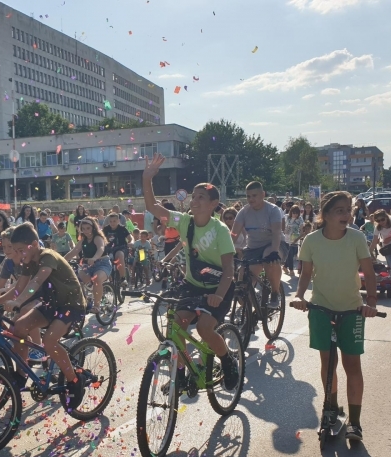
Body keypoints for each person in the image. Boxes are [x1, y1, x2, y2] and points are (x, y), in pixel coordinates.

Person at [143, 153, 240, 390]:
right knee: (176, 327)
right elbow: (151, 206)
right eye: (193, 196)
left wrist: (218, 295)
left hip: (219, 288)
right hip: (193, 284)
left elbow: (229, 270)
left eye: (201, 197)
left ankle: (227, 361)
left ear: (214, 204)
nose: (194, 200)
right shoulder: (183, 221)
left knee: (206, 328)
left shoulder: (220, 230)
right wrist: (147, 179)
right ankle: (183, 373)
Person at [291, 191, 379, 442]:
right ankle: (331, 408)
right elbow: (306, 274)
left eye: (348, 210)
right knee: (327, 363)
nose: (346, 215)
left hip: (352, 309)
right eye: (340, 210)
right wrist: (300, 296)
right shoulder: (311, 240)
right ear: (326, 215)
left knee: (352, 365)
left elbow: (369, 273)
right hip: (320, 308)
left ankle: (354, 422)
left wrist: (371, 302)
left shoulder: (357, 237)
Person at [6, 223, 87, 408]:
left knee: (49, 341)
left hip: (71, 306)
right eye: (16, 251)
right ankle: (21, 374)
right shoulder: (29, 262)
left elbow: (38, 280)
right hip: (51, 305)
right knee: (18, 328)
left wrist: (19, 302)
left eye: (20, 250)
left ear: (34, 244)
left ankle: (75, 381)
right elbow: (18, 288)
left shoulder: (47, 256)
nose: (19, 255)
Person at [231, 181, 287, 309]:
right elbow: (233, 234)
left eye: (254, 195)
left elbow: (277, 233)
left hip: (274, 243)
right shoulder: (244, 212)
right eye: (248, 196)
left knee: (269, 258)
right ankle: (250, 313)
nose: (251, 199)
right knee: (242, 278)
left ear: (263, 194)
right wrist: (226, 250)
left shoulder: (273, 210)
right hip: (253, 247)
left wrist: (274, 251)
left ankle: (275, 292)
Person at [64, 218, 111, 313]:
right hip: (88, 265)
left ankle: (96, 306)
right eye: (83, 228)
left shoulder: (98, 238)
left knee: (97, 279)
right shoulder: (83, 240)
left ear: (93, 228)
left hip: (102, 264)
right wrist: (61, 260)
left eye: (88, 228)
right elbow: (74, 251)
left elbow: (100, 249)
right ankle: (93, 293)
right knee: (79, 274)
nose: (85, 231)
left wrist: (94, 258)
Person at [102, 212, 133, 285]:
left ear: (118, 221)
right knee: (104, 258)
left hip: (121, 248)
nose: (112, 223)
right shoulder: (106, 229)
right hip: (109, 249)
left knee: (119, 255)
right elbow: (100, 239)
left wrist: (130, 243)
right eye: (110, 221)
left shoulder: (122, 229)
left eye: (114, 221)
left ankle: (123, 278)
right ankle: (109, 280)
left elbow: (130, 238)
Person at [283, 205, 304, 276]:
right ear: (291, 212)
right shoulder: (287, 217)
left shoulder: (300, 218)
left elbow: (301, 228)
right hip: (288, 238)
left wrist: (301, 236)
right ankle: (291, 269)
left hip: (296, 238)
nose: (295, 214)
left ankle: (285, 267)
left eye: (296, 213)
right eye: (293, 212)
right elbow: (284, 226)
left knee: (292, 253)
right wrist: (285, 230)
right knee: (290, 253)